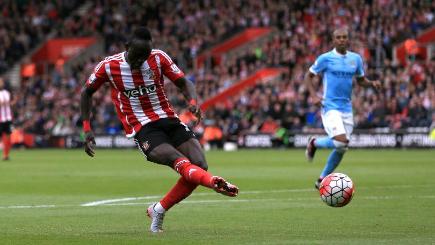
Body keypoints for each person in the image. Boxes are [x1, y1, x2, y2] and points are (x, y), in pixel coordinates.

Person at [80, 27, 239, 233]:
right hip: (142, 127)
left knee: (200, 163)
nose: (141, 61)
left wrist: (192, 102)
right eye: (137, 56)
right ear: (127, 48)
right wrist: (86, 128)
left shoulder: (158, 58)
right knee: (181, 163)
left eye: (145, 56)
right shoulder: (109, 66)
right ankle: (213, 183)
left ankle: (159, 209)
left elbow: (184, 82)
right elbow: (86, 92)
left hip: (168, 118)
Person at [304, 27, 381, 189]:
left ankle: (321, 180)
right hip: (330, 106)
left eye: (344, 37)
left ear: (348, 39)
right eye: (338, 37)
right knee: (340, 142)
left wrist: (371, 83)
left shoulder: (356, 59)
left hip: (346, 108)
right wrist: (313, 96)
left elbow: (360, 80)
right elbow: (308, 76)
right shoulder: (326, 58)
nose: (341, 40)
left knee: (342, 148)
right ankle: (314, 143)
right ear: (333, 40)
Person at [0, 77, 13, 161]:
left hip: (7, 118)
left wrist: (12, 103)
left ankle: (6, 155)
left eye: (1, 81)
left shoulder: (7, 93)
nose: (1, 83)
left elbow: (10, 103)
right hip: (0, 118)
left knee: (8, 136)